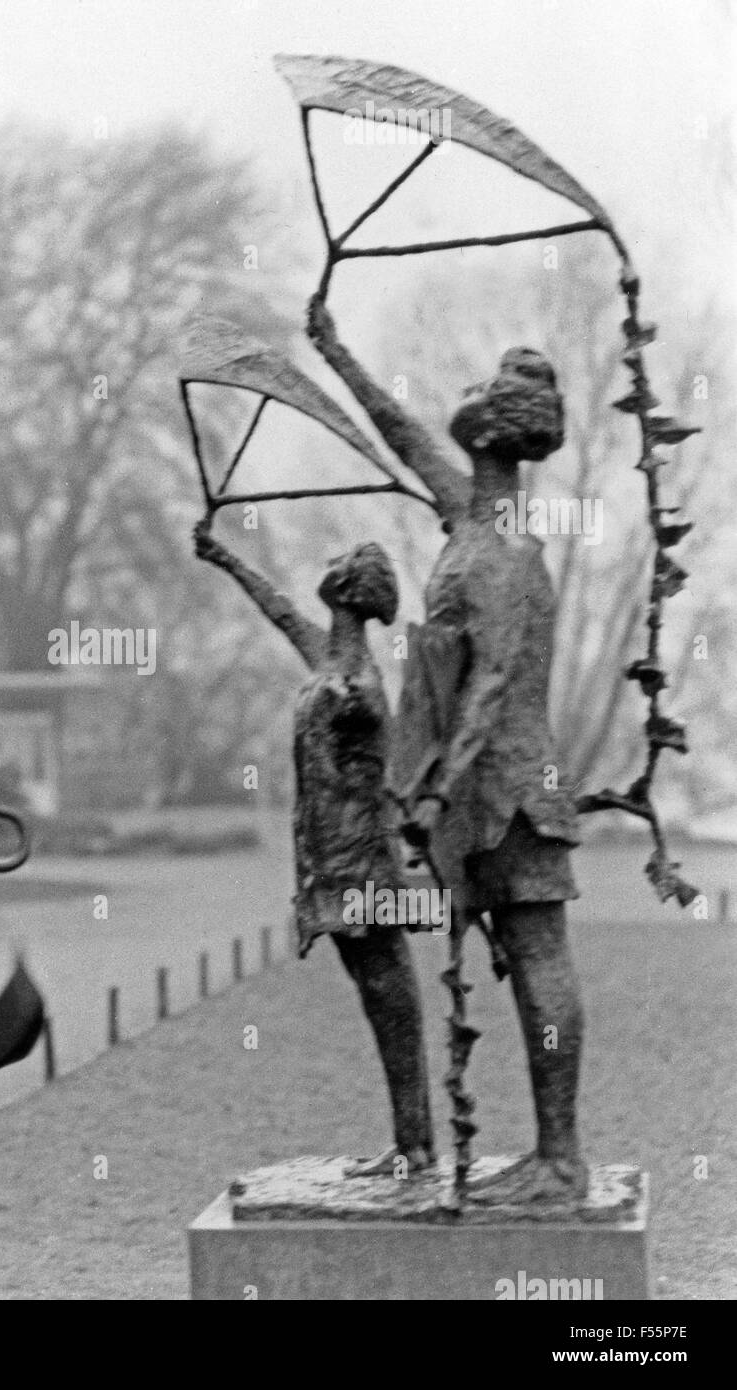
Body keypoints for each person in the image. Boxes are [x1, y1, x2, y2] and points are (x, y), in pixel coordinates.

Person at [307, 297, 586, 1203]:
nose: (452, 421)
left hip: (511, 788)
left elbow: (494, 684)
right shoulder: (470, 515)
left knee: (538, 953)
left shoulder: (503, 550)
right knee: (525, 951)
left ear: (497, 436)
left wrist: (434, 794)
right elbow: (397, 432)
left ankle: (560, 1155)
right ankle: (546, 1152)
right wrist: (335, 350)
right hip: (480, 789)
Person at [194, 523, 435, 1175]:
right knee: (375, 992)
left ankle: (417, 1144)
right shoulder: (327, 658)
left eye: (341, 563)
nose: (327, 564)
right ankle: (412, 1141)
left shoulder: (357, 683)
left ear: (352, 591)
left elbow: (390, 770)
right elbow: (276, 609)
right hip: (329, 863)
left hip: (361, 866)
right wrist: (223, 557)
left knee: (389, 996)